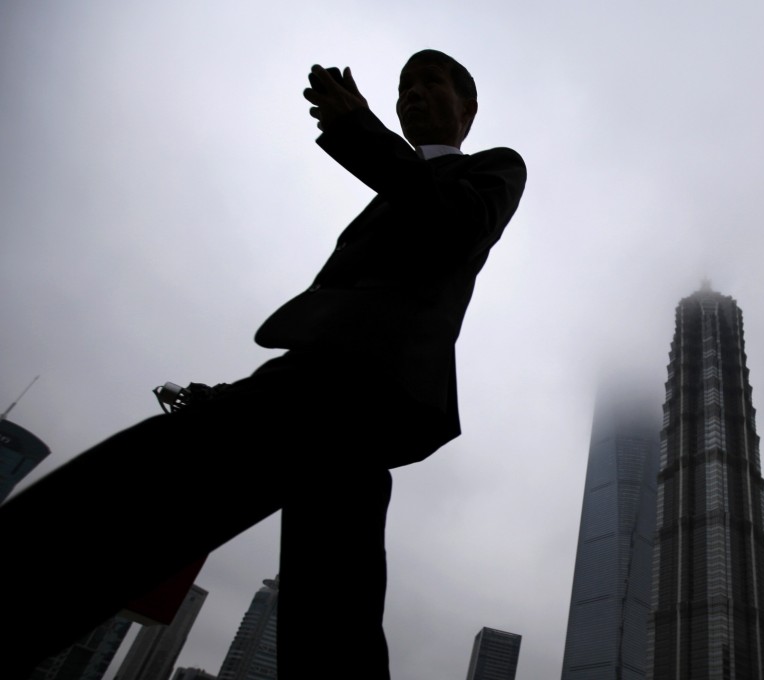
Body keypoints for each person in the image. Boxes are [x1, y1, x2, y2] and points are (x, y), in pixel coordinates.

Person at [1, 50, 525, 679]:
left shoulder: (493, 170)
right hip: (348, 396)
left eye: (429, 83)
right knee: (334, 607)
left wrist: (359, 128)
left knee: (135, 492)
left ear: (467, 108)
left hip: (348, 383)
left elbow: (454, 228)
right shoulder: (395, 187)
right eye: (403, 87)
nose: (412, 95)